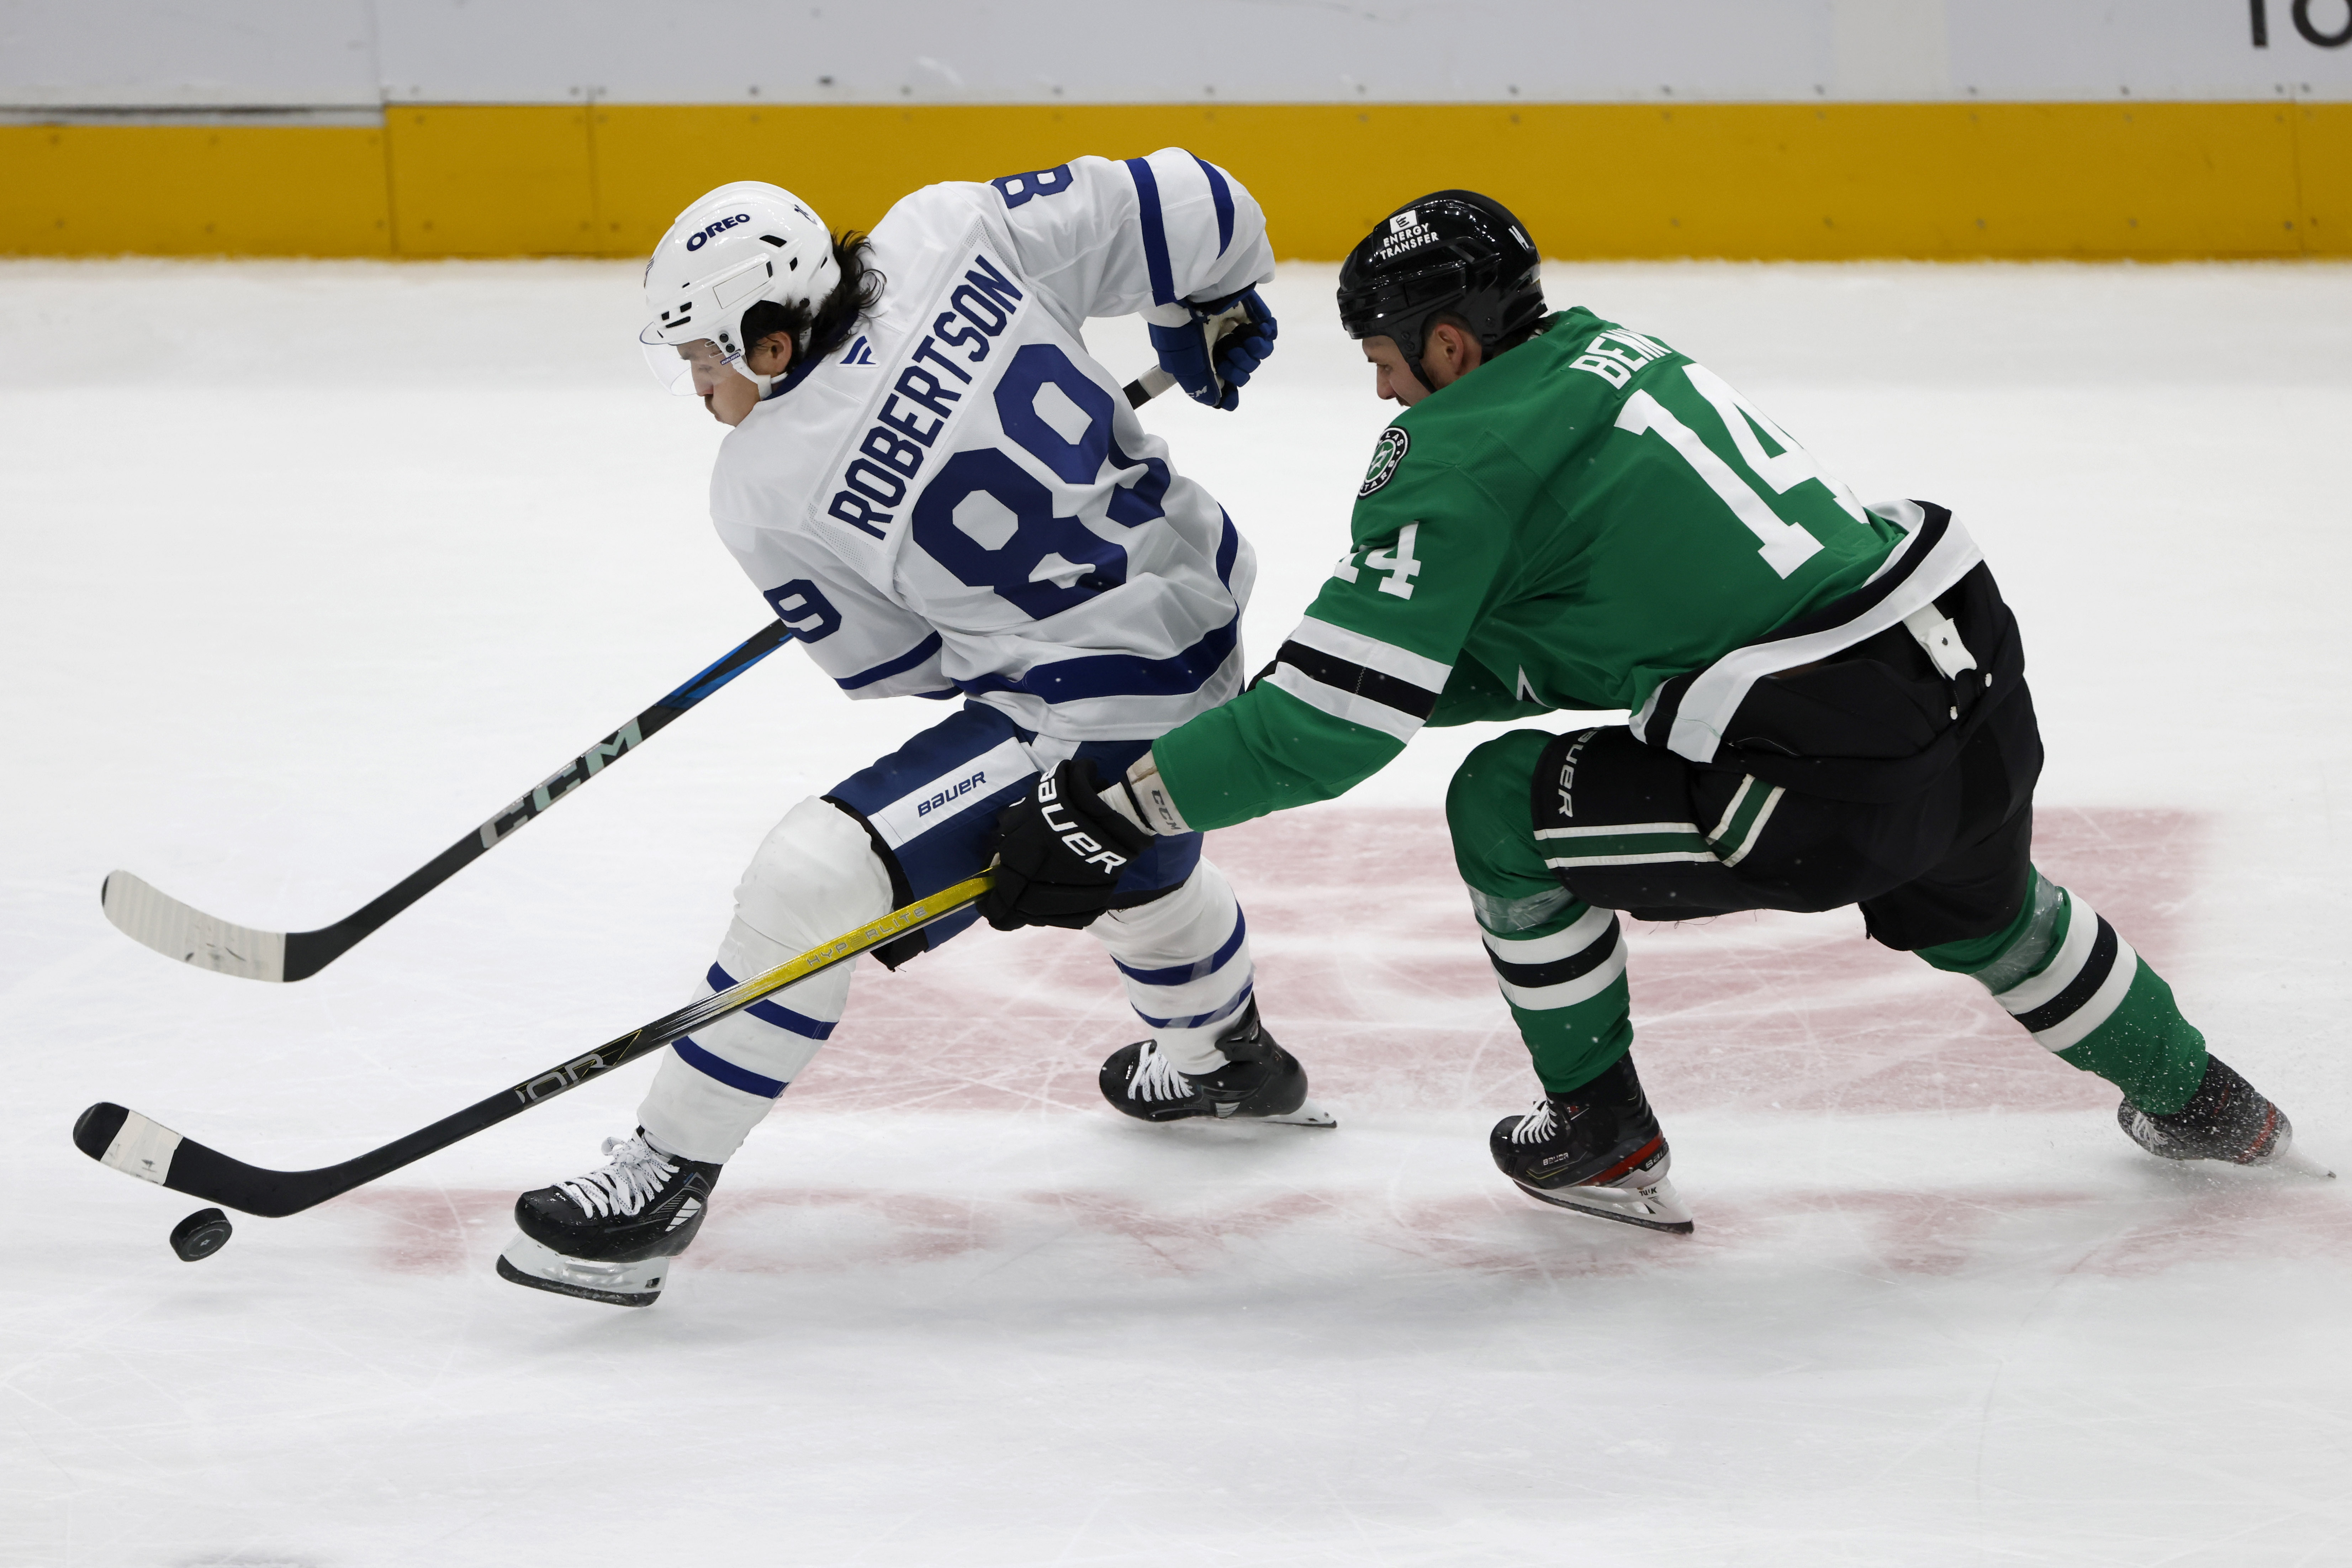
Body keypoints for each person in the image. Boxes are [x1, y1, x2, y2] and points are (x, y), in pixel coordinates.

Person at [979, 189, 2307, 1235]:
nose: (1380, 388)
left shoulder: (1450, 455)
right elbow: (1571, 640)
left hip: (1818, 771)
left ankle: (1601, 1137)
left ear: (1446, 344)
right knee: (1993, 911)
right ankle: (2210, 1106)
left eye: (1383, 357)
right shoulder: (1613, 354)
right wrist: (1334, 685)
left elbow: (1332, 732)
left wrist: (1117, 806)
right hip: (1962, 682)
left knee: (1500, 808)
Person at [499, 153, 1329, 1309]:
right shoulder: (947, 228)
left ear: (769, 337)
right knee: (1116, 841)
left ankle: (661, 1184)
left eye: (702, 356)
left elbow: (903, 666)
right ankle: (1222, 1055)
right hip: (1212, 631)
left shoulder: (757, 484)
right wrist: (1207, 306)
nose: (698, 384)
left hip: (1096, 699)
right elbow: (1205, 201)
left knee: (812, 877)